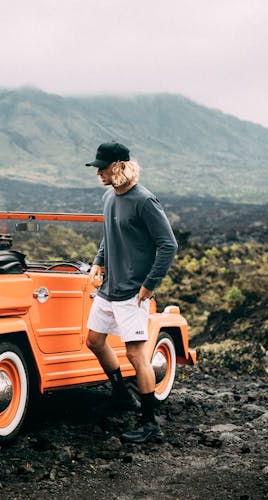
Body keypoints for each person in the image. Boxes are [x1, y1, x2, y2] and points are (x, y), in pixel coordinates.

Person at [84, 141, 178, 443]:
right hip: (109, 289)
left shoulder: (144, 201)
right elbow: (109, 235)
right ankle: (122, 396)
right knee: (94, 341)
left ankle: (150, 423)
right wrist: (99, 262)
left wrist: (149, 285)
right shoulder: (109, 197)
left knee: (136, 354)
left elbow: (168, 245)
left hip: (132, 293)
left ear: (119, 167)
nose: (98, 172)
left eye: (103, 166)